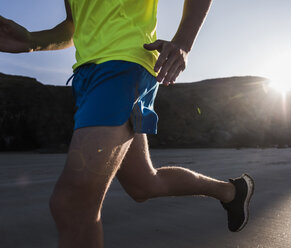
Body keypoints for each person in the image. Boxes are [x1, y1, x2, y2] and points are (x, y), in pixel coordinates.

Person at [0, 0, 254, 247]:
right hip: (86, 76)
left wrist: (183, 43)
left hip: (125, 65)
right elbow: (73, 25)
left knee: (72, 204)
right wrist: (31, 41)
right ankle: (231, 191)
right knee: (144, 184)